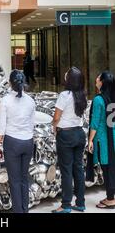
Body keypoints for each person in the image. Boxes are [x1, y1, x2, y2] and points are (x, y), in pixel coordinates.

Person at [0, 69, 35, 213]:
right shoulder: (30, 101)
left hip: (12, 143)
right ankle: (25, 208)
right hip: (28, 142)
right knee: (24, 178)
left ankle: (18, 211)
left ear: (10, 83)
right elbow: (32, 124)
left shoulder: (5, 101)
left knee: (15, 180)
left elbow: (1, 127)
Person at [52, 67, 87, 213]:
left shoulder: (64, 95)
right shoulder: (82, 95)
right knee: (78, 169)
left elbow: (56, 117)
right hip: (79, 134)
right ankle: (80, 203)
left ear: (69, 80)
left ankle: (66, 205)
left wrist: (54, 127)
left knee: (66, 170)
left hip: (66, 135)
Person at [88, 71, 115, 210]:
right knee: (112, 167)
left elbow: (95, 122)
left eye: (98, 77)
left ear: (102, 82)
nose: (96, 78)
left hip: (104, 140)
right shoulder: (112, 97)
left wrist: (90, 140)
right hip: (113, 137)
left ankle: (111, 199)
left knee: (107, 168)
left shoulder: (99, 99)